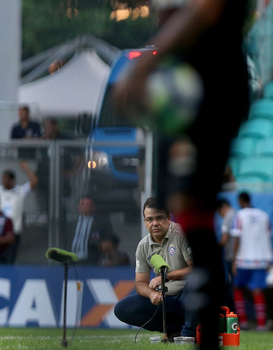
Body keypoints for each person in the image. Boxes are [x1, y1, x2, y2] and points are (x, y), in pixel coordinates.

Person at [113, 0, 249, 346]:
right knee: (188, 211)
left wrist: (144, 65)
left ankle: (206, 337)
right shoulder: (147, 242)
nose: (153, 223)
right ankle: (202, 336)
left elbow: (206, 11)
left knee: (195, 215)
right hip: (180, 88)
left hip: (206, 85)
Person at [114, 197, 195, 338]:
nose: (155, 223)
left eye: (160, 218)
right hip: (165, 298)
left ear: (169, 218)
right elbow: (140, 283)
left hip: (186, 295)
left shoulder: (181, 234)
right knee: (122, 309)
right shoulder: (143, 246)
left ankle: (188, 333)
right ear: (145, 222)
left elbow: (196, 269)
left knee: (194, 285)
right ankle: (173, 329)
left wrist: (167, 276)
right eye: (150, 219)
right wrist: (151, 294)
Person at [0, 160, 37, 263]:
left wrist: (26, 168)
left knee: (10, 259)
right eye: (3, 178)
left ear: (12, 180)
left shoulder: (20, 191)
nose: (3, 181)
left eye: (6, 178)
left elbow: (34, 182)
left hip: (14, 232)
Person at [231, 192, 272, 331]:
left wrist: (234, 260)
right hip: (261, 259)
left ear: (240, 201)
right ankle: (261, 324)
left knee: (237, 288)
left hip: (243, 259)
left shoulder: (240, 215)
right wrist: (269, 259)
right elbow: (268, 237)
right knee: (257, 291)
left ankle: (242, 322)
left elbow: (237, 238)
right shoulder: (264, 215)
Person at [70, 196, 113, 265]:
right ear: (78, 207)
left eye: (88, 204)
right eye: (83, 204)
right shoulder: (72, 223)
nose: (86, 206)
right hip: (72, 261)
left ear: (93, 207)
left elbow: (107, 242)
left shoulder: (101, 223)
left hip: (91, 262)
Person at [216, 198, 236, 310]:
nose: (221, 215)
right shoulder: (237, 214)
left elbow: (224, 239)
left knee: (230, 286)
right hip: (239, 257)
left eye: (220, 212)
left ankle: (230, 311)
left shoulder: (228, 216)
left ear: (222, 207)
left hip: (231, 256)